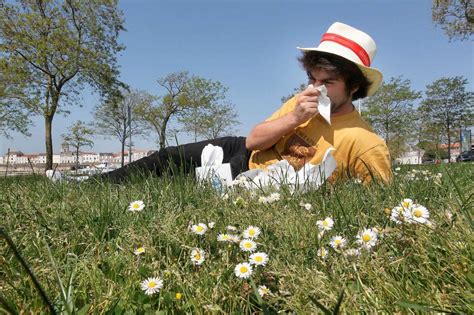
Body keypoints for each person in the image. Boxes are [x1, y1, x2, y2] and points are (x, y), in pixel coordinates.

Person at [98, 22, 391, 184]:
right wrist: (294, 117)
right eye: (312, 78)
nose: (316, 88)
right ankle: (95, 186)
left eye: (327, 83)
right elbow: (253, 140)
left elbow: (377, 199)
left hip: (255, 181)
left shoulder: (365, 141)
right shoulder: (301, 103)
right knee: (167, 157)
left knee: (175, 184)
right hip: (241, 151)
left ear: (353, 86)